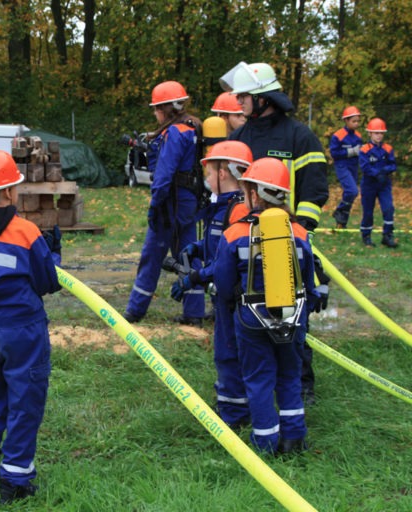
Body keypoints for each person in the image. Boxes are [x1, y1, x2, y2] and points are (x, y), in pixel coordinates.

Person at [219, 61, 329, 406]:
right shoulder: (239, 137)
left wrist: (300, 230)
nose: (239, 102)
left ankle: (300, 383)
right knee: (247, 314)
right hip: (245, 242)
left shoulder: (298, 136)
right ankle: (246, 384)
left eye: (244, 96)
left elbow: (314, 188)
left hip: (286, 240)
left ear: (263, 98)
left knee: (292, 313)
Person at [0, 150, 62, 504]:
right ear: (8, 192)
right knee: (25, 403)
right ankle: (16, 480)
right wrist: (54, 254)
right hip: (25, 329)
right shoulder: (24, 230)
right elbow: (47, 280)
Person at [214, 157, 319, 455]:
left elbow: (223, 284)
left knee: (259, 380)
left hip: (251, 321)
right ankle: (294, 440)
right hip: (292, 317)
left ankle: (265, 444)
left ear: (255, 194)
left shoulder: (235, 233)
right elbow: (308, 280)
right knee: (289, 376)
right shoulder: (299, 233)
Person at [170, 141, 252, 430]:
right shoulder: (225, 207)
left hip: (235, 299)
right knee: (226, 351)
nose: (206, 176)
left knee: (230, 352)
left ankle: (234, 416)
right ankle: (230, 403)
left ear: (226, 171)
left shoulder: (239, 210)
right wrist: (199, 248)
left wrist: (196, 277)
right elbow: (219, 246)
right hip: (225, 296)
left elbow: (229, 261)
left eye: (209, 170)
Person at [124, 80, 205, 326]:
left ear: (165, 109)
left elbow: (164, 174)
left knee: (153, 253)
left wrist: (155, 205)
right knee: (188, 255)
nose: (155, 113)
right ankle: (194, 312)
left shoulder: (174, 133)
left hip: (171, 202)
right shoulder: (194, 128)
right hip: (190, 202)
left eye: (156, 108)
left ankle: (135, 310)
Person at [359, 118, 398, 248]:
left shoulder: (388, 148)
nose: (379, 136)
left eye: (381, 133)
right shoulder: (364, 149)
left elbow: (392, 165)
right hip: (369, 185)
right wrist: (377, 173)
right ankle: (366, 236)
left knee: (388, 208)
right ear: (370, 133)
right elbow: (365, 167)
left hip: (384, 185)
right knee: (368, 211)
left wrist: (383, 171)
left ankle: (387, 235)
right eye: (376, 133)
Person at [329, 106, 363, 228]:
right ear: (346, 121)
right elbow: (334, 153)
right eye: (354, 121)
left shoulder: (358, 136)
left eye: (358, 121)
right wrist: (350, 152)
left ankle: (341, 222)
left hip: (354, 166)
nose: (356, 124)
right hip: (342, 166)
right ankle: (339, 210)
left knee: (350, 194)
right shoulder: (338, 136)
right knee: (352, 191)